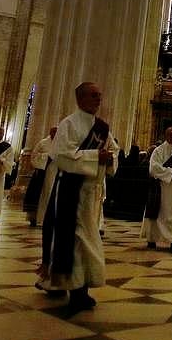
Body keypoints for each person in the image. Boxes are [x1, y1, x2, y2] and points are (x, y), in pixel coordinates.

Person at [38, 82, 119, 316]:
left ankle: (80, 287)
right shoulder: (69, 124)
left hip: (91, 194)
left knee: (86, 242)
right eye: (94, 95)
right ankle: (75, 290)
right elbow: (62, 156)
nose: (98, 99)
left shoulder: (102, 127)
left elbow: (114, 150)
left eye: (100, 95)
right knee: (74, 241)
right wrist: (96, 156)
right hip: (71, 192)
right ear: (81, 98)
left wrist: (109, 158)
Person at [143, 126, 172, 250]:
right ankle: (152, 239)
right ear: (166, 136)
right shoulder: (158, 151)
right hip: (160, 188)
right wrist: (171, 173)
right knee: (158, 212)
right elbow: (153, 168)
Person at [24, 126, 57, 227]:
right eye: (53, 132)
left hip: (54, 172)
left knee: (50, 193)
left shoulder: (60, 144)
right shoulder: (42, 143)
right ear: (50, 132)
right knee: (38, 194)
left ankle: (48, 218)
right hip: (42, 171)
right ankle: (34, 218)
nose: (55, 134)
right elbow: (34, 155)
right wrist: (46, 157)